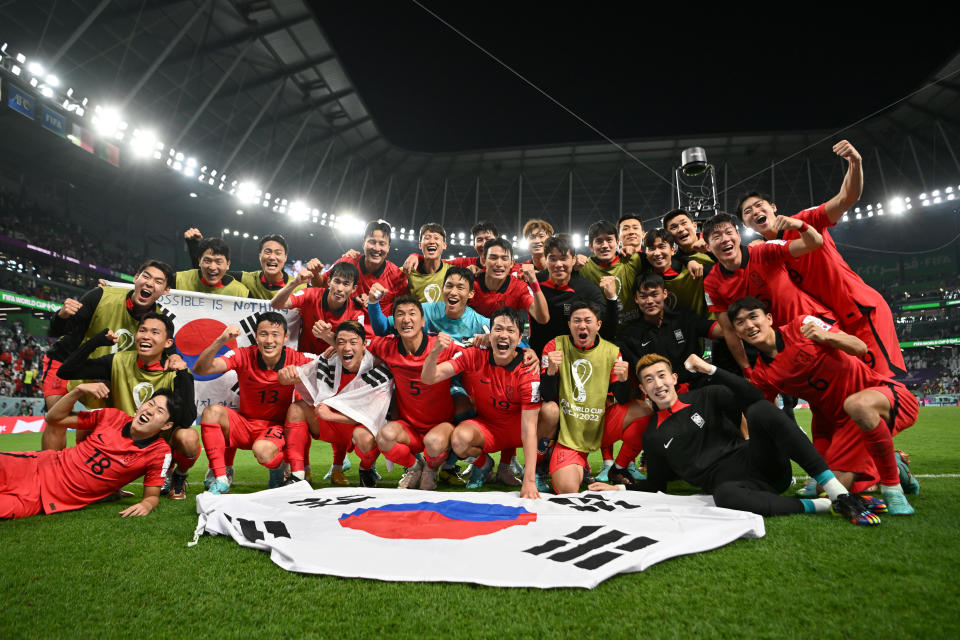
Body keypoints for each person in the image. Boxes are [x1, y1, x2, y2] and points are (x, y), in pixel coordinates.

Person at [593, 354, 883, 526]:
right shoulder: (653, 436)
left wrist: (711, 371)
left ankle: (837, 493)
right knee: (723, 497)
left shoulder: (706, 396)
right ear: (643, 389)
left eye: (661, 376)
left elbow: (754, 397)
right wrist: (617, 489)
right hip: (736, 488)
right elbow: (655, 486)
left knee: (759, 410)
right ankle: (820, 506)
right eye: (649, 380)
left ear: (673, 378)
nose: (658, 384)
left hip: (762, 464)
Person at [728, 297, 919, 514]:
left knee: (857, 405)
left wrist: (826, 336)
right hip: (833, 424)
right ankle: (892, 461)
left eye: (754, 316)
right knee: (825, 489)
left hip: (880, 396)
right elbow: (763, 415)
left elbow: (860, 347)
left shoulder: (803, 325)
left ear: (769, 318)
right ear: (736, 332)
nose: (749, 325)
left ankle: (892, 489)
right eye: (740, 322)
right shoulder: (763, 375)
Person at [736, 140, 905, 378]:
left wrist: (855, 163)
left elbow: (847, 197)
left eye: (759, 205)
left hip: (860, 312)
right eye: (747, 212)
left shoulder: (806, 220)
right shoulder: (765, 255)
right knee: (853, 390)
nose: (755, 212)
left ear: (773, 207)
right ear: (745, 224)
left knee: (883, 386)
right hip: (832, 325)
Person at [56, 312, 199, 500]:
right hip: (121, 439)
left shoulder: (176, 370)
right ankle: (95, 479)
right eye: (142, 330)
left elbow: (187, 418)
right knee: (89, 421)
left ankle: (178, 476)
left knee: (188, 437)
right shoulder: (118, 360)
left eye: (155, 332)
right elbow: (66, 371)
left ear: (168, 343)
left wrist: (182, 373)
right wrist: (96, 342)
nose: (146, 336)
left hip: (158, 444)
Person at [42, 259, 174, 450]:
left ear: (166, 290)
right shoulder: (101, 295)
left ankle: (83, 469)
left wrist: (175, 356)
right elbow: (58, 331)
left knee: (93, 426)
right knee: (57, 420)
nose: (149, 283)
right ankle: (49, 474)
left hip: (105, 374)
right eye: (145, 276)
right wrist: (61, 315)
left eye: (158, 281)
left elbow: (167, 351)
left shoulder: (159, 320)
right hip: (66, 360)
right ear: (136, 278)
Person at [0, 384, 182, 519]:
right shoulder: (111, 416)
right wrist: (78, 391)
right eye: (150, 404)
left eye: (159, 411)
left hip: (43, 499)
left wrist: (146, 504)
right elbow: (53, 418)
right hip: (33, 466)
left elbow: (152, 497)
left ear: (167, 425)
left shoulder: (159, 452)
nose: (150, 411)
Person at [421, 307, 541, 499]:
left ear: (520, 340)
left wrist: (528, 482)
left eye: (510, 331)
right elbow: (429, 378)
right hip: (489, 427)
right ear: (489, 333)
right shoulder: (475, 354)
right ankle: (484, 464)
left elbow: (528, 428)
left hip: (517, 429)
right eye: (498, 329)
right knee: (459, 440)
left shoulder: (528, 369)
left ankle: (536, 471)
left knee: (550, 415)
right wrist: (434, 353)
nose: (503, 335)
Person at [193, 312, 312, 494]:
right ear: (256, 336)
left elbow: (328, 369)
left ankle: (279, 465)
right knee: (211, 412)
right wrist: (220, 340)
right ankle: (221, 478)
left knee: (263, 451)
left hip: (276, 428)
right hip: (246, 424)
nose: (269, 340)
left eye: (275, 334)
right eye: (263, 334)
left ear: (286, 337)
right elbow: (201, 369)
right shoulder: (243, 355)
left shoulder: (297, 359)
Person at [538, 301, 651, 492]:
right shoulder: (554, 346)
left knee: (645, 409)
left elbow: (622, 399)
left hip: (601, 425)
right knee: (566, 490)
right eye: (577, 321)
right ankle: (557, 464)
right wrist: (550, 371)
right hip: (568, 433)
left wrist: (623, 380)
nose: (582, 326)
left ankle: (620, 467)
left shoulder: (612, 352)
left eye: (588, 321)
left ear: (598, 325)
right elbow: (546, 395)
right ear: (569, 325)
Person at [701, 212, 829, 370]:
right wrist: (747, 369)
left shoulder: (764, 251)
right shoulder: (711, 283)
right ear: (707, 247)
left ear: (738, 236)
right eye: (717, 236)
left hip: (814, 328)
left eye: (729, 232)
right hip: (778, 349)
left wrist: (800, 225)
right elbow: (729, 331)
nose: (725, 239)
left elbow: (814, 243)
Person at [282, 322, 390, 486]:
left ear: (364, 346)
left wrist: (331, 415)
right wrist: (284, 376)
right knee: (296, 409)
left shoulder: (379, 371)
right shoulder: (329, 360)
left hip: (357, 427)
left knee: (366, 438)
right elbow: (299, 375)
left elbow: (373, 417)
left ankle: (366, 470)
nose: (347, 348)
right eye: (340, 342)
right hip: (332, 425)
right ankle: (297, 475)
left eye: (353, 342)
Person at [616, 273, 723, 390]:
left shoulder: (684, 318)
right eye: (643, 296)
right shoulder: (630, 336)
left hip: (698, 387)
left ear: (665, 294)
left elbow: (721, 330)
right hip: (662, 394)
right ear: (636, 299)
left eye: (654, 294)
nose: (650, 301)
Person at [529, 234, 618, 356]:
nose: (558, 264)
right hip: (538, 357)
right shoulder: (533, 283)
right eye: (553, 259)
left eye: (564, 258)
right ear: (546, 259)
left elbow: (607, 331)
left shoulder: (587, 289)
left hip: (575, 359)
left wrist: (612, 298)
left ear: (574, 259)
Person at [185, 230, 318, 299]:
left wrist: (317, 275)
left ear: (285, 257)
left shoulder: (301, 287)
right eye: (267, 252)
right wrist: (194, 245)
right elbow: (208, 274)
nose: (272, 257)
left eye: (278, 253)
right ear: (260, 255)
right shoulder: (245, 280)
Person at [271, 261, 370, 355]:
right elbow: (276, 304)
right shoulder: (310, 294)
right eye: (337, 281)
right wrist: (295, 283)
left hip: (333, 366)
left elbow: (355, 349)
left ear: (354, 289)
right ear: (329, 281)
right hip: (303, 360)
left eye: (346, 284)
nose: (340, 289)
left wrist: (327, 335)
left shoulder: (357, 314)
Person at [326, 220, 408, 314]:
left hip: (378, 328)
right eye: (372, 242)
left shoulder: (397, 276)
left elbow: (404, 309)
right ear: (363, 243)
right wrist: (315, 273)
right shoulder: (348, 261)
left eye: (382, 244)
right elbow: (321, 282)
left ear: (388, 247)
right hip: (344, 327)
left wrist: (416, 256)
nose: (376, 248)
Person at [469, 238, 548, 325]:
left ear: (511, 264)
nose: (499, 264)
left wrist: (534, 281)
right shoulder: (471, 283)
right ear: (484, 261)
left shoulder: (519, 287)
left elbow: (542, 318)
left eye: (504, 258)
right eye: (493, 258)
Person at [175, 236, 250, 297]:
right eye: (207, 260)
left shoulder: (241, 293)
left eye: (218, 261)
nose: (212, 267)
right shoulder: (178, 280)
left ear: (228, 264)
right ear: (199, 261)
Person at [407, 223, 451, 303]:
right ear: (420, 245)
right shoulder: (407, 271)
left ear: (444, 245)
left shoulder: (452, 272)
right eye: (427, 238)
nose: (431, 241)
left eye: (436, 238)